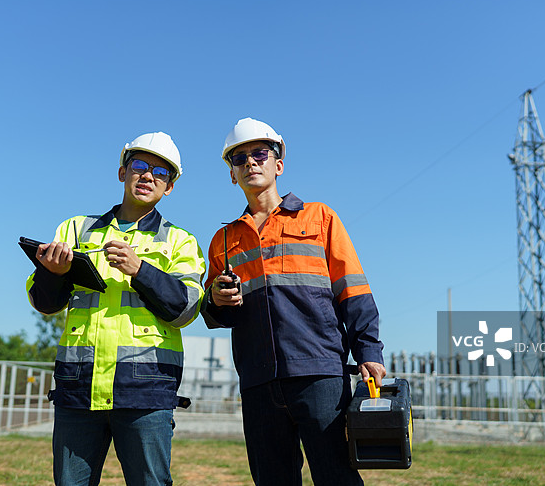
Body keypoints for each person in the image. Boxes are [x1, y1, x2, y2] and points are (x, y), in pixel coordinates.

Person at [202, 117, 386, 486]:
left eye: (259, 154)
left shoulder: (319, 217)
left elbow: (353, 289)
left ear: (278, 164)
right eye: (240, 159)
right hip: (258, 380)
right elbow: (214, 314)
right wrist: (217, 300)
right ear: (232, 174)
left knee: (337, 477)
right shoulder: (224, 240)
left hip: (319, 374)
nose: (251, 162)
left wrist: (369, 351)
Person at [26, 132, 206, 486]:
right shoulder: (75, 229)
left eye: (161, 171)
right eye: (139, 165)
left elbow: (186, 308)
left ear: (169, 187)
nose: (148, 175)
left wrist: (141, 270)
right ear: (122, 172)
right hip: (78, 390)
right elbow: (43, 302)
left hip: (146, 393)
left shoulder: (180, 241)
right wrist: (53, 273)